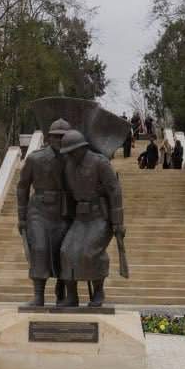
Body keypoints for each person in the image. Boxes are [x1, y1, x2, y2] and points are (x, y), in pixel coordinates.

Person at [57, 129, 125, 307]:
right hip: (80, 218)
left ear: (82, 148)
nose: (70, 155)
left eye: (72, 151)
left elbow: (114, 191)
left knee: (90, 252)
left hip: (100, 216)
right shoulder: (69, 166)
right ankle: (72, 296)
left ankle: (98, 291)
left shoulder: (100, 163)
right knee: (66, 251)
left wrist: (118, 222)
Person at [17, 118, 72, 307]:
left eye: (63, 137)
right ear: (49, 138)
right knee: (39, 249)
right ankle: (38, 295)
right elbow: (22, 187)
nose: (60, 140)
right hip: (39, 211)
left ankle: (61, 291)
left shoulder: (74, 159)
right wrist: (21, 217)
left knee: (63, 252)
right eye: (56, 137)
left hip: (64, 211)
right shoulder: (35, 158)